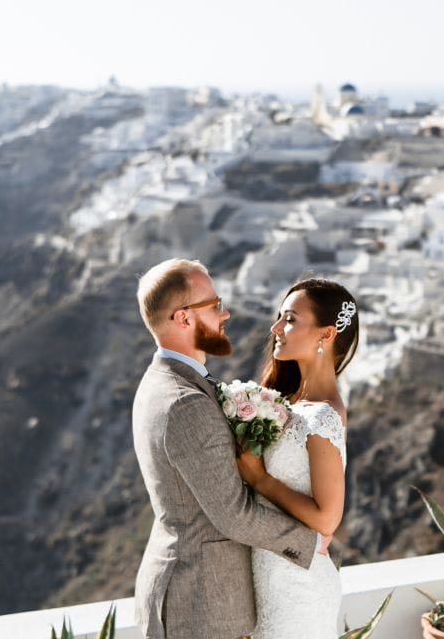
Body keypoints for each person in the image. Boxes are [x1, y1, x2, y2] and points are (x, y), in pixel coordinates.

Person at [131, 259, 328, 639]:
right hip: (200, 602)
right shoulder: (184, 402)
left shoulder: (161, 382)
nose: (226, 313)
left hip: (190, 591)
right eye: (215, 305)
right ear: (184, 319)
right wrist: (309, 541)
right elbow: (233, 514)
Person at [236, 278, 359, 639]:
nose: (276, 328)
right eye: (280, 317)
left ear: (325, 335)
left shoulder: (322, 417)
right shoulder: (286, 402)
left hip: (298, 589)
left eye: (289, 319)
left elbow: (327, 519)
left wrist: (261, 480)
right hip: (270, 577)